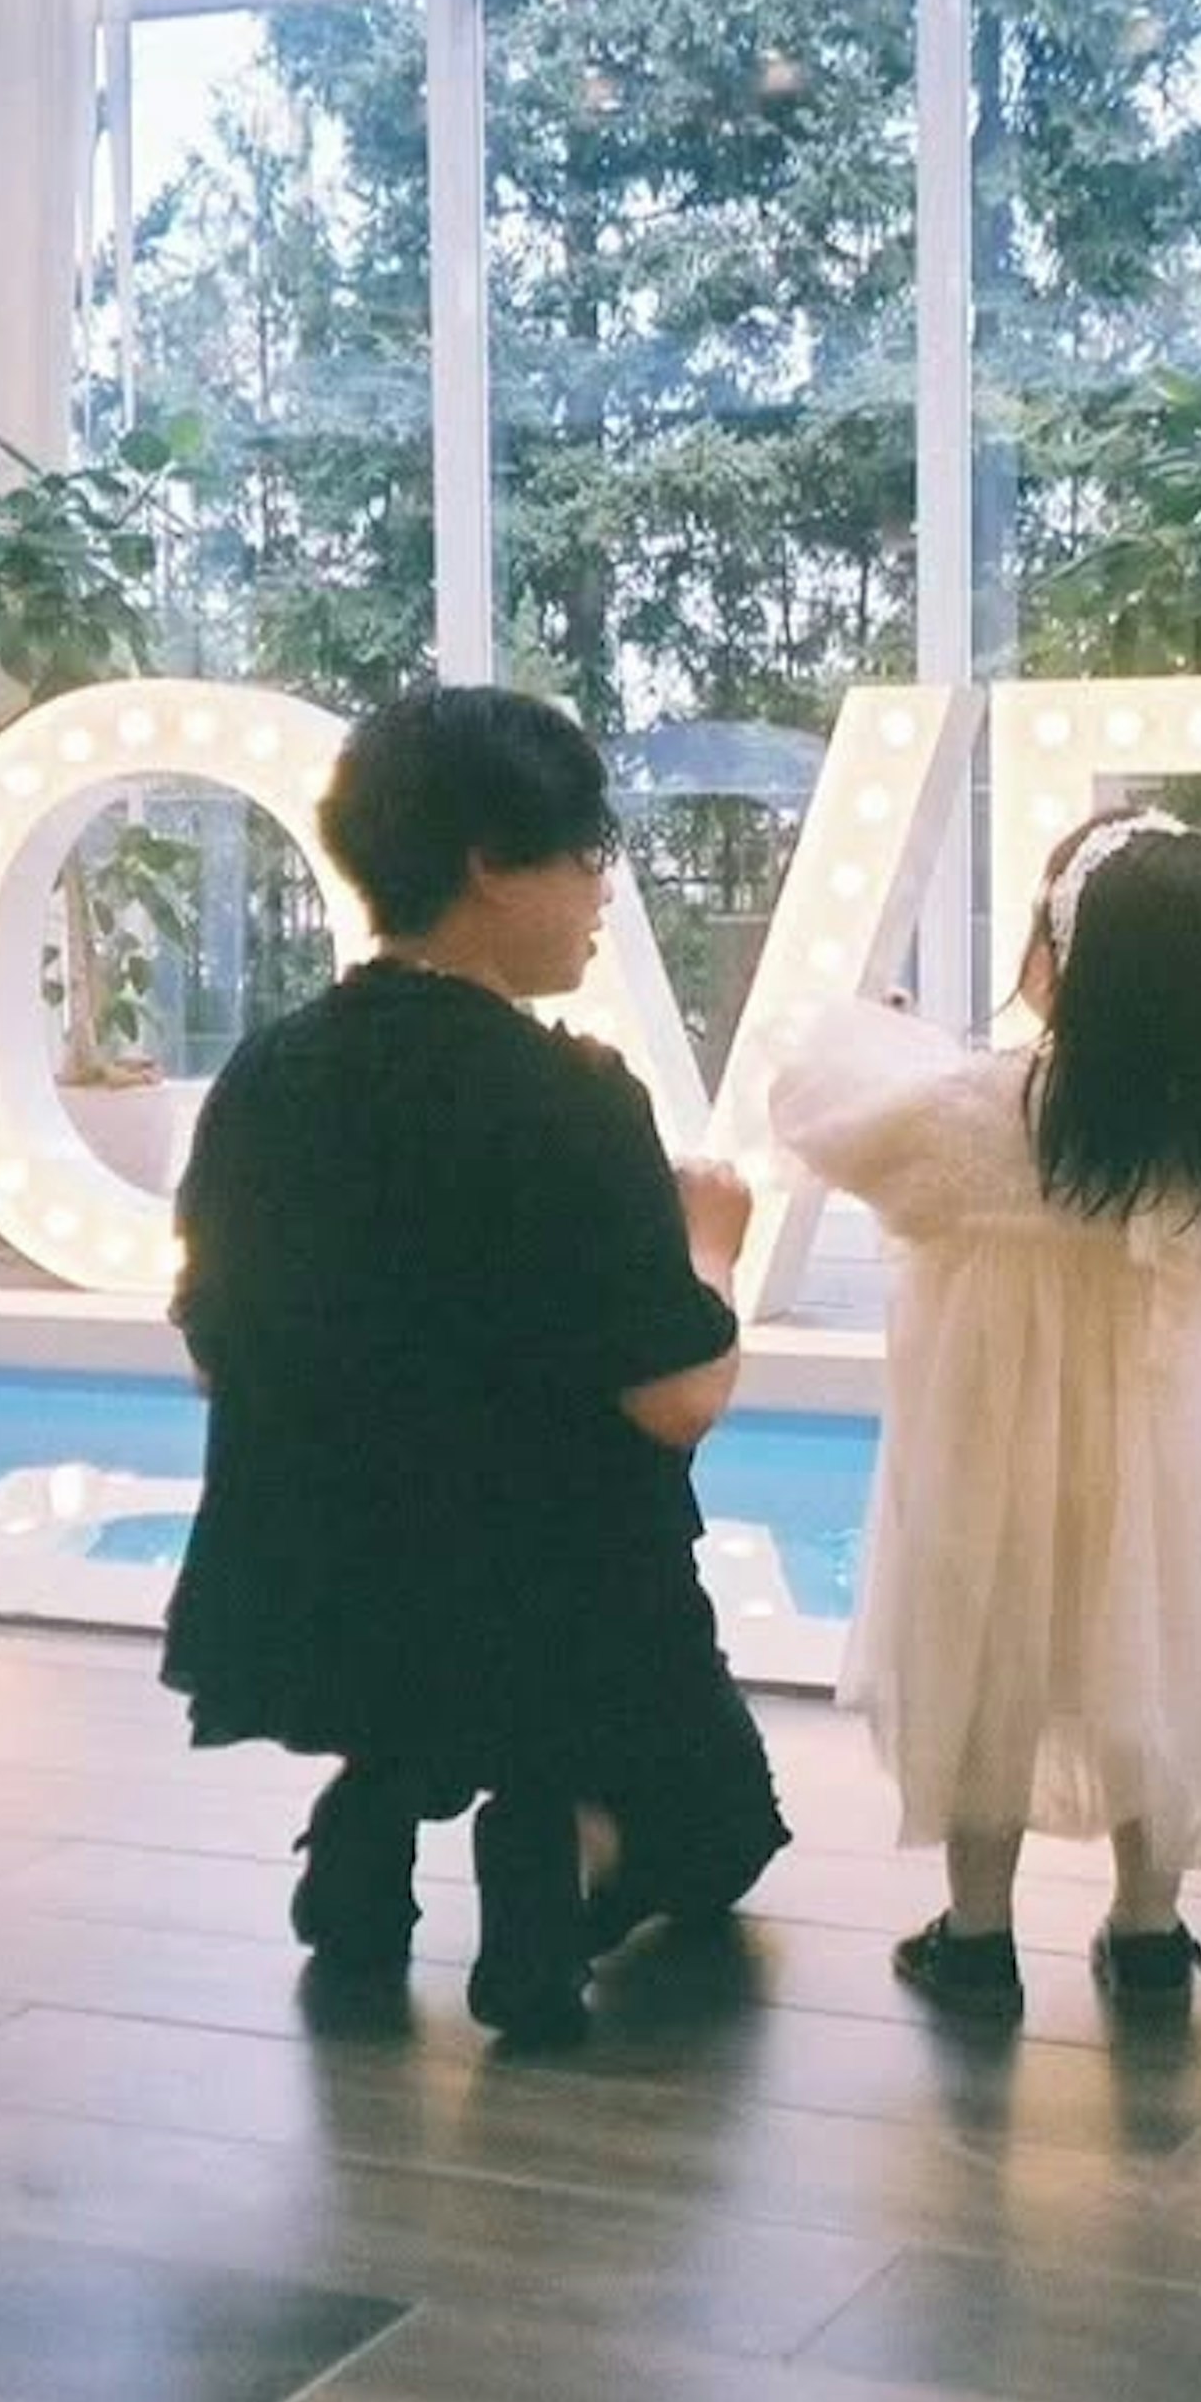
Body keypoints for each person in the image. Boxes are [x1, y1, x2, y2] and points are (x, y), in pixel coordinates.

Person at [160, 684, 789, 2045]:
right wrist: (713, 1241)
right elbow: (678, 1396)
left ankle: (375, 1812)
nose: (603, 891)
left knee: (429, 1665)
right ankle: (563, 1852)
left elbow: (220, 1344)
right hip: (562, 1611)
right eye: (585, 856)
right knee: (725, 1828)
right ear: (490, 865)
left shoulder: (263, 1079)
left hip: (327, 1600)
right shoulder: (571, 1098)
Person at [772, 809, 1201, 2015]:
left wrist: (905, 1037)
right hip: (1165, 1487)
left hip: (983, 1479)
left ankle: (976, 1936)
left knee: (981, 1679)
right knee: (1154, 1675)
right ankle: (1150, 1928)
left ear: (1052, 967)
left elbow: (810, 1098)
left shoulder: (961, 1123)